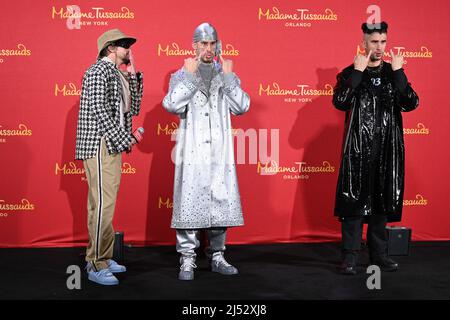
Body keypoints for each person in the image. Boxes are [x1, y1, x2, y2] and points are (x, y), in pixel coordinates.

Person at [162, 22, 250, 280]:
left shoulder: (226, 74)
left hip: (220, 151)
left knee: (220, 199)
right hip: (192, 151)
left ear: (218, 45)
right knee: (189, 199)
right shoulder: (181, 74)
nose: (208, 48)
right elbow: (171, 104)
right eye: (203, 43)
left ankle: (218, 256)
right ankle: (187, 259)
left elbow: (242, 106)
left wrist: (230, 78)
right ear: (194, 46)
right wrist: (189, 77)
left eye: (212, 43)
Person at [332, 21, 419, 275]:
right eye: (373, 42)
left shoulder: (394, 73)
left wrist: (400, 72)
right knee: (353, 204)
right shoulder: (350, 73)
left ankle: (379, 255)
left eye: (382, 41)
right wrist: (357, 74)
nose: (379, 47)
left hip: (386, 150)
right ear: (364, 43)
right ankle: (349, 257)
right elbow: (340, 102)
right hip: (358, 151)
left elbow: (411, 103)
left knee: (382, 203)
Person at [75, 29, 143, 285]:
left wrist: (133, 73)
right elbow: (100, 112)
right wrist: (126, 139)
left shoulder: (118, 74)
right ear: (111, 48)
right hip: (100, 145)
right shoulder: (97, 71)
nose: (129, 50)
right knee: (102, 204)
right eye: (125, 45)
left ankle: (102, 257)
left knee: (103, 204)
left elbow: (133, 108)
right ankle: (95, 263)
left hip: (111, 145)